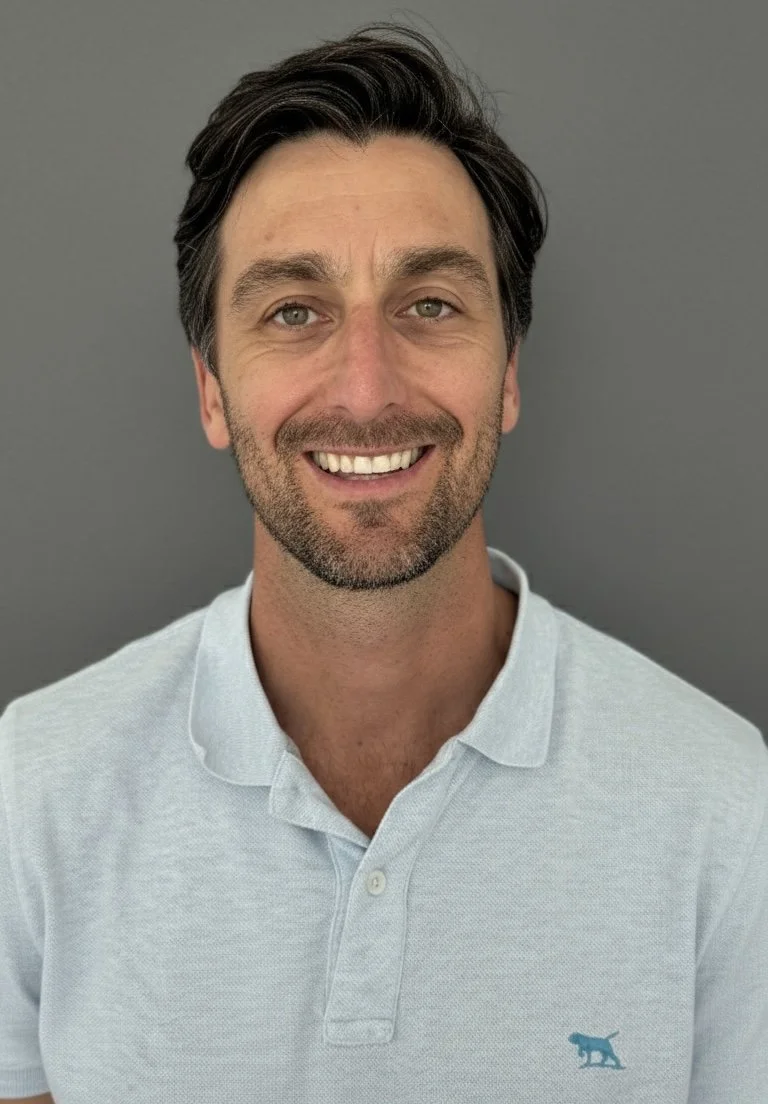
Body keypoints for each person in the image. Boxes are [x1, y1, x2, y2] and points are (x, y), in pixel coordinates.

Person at [1, 21, 765, 1104]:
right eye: (294, 311)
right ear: (212, 389)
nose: (366, 390)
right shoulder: (29, 794)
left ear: (509, 373)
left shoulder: (726, 810)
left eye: (431, 305)